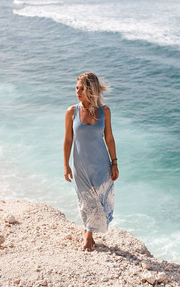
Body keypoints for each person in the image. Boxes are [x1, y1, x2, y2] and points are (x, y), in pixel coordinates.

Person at [63, 72, 119, 251]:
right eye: (76, 88)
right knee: (86, 201)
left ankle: (89, 234)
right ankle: (89, 234)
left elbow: (109, 138)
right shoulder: (72, 112)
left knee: (101, 201)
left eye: (82, 89)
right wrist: (65, 165)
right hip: (80, 166)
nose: (77, 92)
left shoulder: (105, 111)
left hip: (101, 164)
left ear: (91, 90)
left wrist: (114, 163)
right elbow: (68, 140)